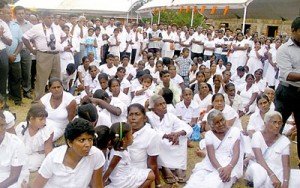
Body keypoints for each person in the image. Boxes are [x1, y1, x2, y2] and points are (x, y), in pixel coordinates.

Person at [25, 118, 105, 188]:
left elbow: (97, 186)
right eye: (82, 140)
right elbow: (37, 186)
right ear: (69, 142)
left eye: (90, 139)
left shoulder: (96, 155)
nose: (88, 145)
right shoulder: (53, 159)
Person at [184, 110, 243, 188]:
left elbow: (236, 153)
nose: (221, 124)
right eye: (217, 122)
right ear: (212, 125)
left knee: (213, 184)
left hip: (231, 163)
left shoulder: (235, 131)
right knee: (194, 181)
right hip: (212, 163)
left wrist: (229, 168)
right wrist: (219, 169)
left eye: (222, 120)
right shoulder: (209, 135)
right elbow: (211, 156)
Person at [147, 95, 192, 184]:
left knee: (183, 138)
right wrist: (166, 136)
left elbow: (187, 127)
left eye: (164, 103)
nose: (164, 106)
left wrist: (178, 134)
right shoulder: (148, 117)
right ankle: (164, 167)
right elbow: (149, 131)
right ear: (153, 108)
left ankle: (178, 167)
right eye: (160, 104)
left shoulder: (170, 116)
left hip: (172, 140)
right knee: (157, 140)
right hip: (160, 141)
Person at [22, 11, 66, 103]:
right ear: (43, 18)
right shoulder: (37, 28)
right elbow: (25, 37)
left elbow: (64, 36)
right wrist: (32, 50)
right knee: (41, 79)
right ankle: (38, 101)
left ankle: (55, 99)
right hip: (44, 55)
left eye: (52, 18)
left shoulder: (56, 27)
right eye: (49, 17)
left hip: (56, 55)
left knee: (56, 78)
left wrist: (57, 44)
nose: (51, 20)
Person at [275, 17, 300, 163]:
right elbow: (287, 75)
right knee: (277, 126)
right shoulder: (284, 49)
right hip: (286, 92)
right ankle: (271, 159)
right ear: (293, 30)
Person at [245, 111, 291, 188]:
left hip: (277, 170)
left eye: (280, 123)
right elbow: (259, 160)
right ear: (266, 123)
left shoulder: (284, 141)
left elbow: (286, 165)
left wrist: (286, 182)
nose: (277, 126)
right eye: (274, 122)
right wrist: (272, 175)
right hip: (259, 167)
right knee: (259, 174)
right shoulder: (257, 136)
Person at [103, 122, 155, 188]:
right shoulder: (119, 153)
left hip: (127, 172)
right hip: (122, 180)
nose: (133, 136)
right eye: (131, 135)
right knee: (151, 176)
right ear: (124, 139)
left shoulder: (122, 148)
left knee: (150, 173)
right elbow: (110, 168)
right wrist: (103, 181)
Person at [15, 104, 53, 184]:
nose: (44, 122)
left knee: (29, 166)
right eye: (41, 119)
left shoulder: (47, 131)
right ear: (31, 119)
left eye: (45, 119)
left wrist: (48, 166)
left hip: (37, 155)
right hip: (21, 152)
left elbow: (48, 149)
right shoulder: (21, 127)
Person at [127, 104, 162, 187]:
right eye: (130, 114)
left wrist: (158, 184)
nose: (133, 118)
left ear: (145, 118)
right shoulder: (123, 131)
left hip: (139, 176)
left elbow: (152, 164)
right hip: (121, 174)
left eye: (137, 114)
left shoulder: (152, 135)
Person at [0, 111, 29, 188]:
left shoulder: (16, 143)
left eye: (2, 125)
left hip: (13, 180)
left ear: (6, 126)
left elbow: (14, 177)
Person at [2, 5, 23, 106]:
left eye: (10, 13)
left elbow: (20, 42)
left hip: (15, 57)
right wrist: (7, 55)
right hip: (3, 57)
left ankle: (17, 99)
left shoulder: (16, 25)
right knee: (2, 79)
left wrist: (14, 54)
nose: (10, 15)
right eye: (7, 13)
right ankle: (3, 100)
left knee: (16, 78)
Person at [14, 6, 33, 100]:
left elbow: (33, 37)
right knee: (15, 72)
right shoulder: (12, 24)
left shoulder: (29, 25)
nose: (21, 15)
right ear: (15, 14)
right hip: (15, 50)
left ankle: (27, 90)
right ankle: (15, 92)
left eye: (22, 13)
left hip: (26, 50)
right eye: (19, 13)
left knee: (26, 72)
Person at [0, 4, 12, 108]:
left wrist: (1, 35)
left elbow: (9, 42)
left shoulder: (3, 24)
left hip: (1, 52)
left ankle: (2, 103)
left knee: (3, 79)